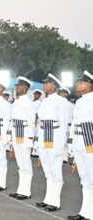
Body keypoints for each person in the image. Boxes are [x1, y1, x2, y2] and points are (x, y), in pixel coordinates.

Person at [36, 73, 69, 212]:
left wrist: (61, 146)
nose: (44, 85)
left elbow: (63, 125)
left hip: (55, 138)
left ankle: (55, 202)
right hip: (44, 137)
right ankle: (48, 199)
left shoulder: (62, 102)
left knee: (56, 171)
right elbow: (40, 123)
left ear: (54, 85)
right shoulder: (44, 101)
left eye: (47, 83)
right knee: (48, 171)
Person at [67, 70, 93, 220]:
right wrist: (71, 144)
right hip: (79, 142)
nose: (77, 84)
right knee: (85, 180)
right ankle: (85, 212)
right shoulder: (80, 101)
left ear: (89, 85)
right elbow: (74, 125)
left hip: (90, 143)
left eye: (81, 82)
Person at [9, 76, 36, 200]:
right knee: (20, 163)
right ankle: (21, 190)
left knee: (26, 163)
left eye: (19, 86)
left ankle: (26, 192)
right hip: (16, 134)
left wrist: (30, 139)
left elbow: (31, 122)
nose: (17, 88)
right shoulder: (17, 101)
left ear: (25, 88)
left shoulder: (29, 103)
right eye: (17, 86)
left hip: (24, 134)